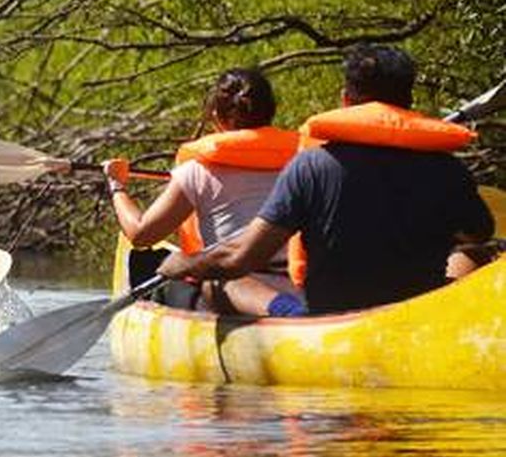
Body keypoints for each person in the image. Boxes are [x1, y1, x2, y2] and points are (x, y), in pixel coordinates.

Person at [157, 46, 493, 315]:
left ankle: (291, 315)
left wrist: (185, 263)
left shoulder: (310, 167)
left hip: (332, 316)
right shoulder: (448, 170)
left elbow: (240, 258)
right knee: (476, 253)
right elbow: (478, 233)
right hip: (417, 310)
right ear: (409, 103)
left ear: (345, 99)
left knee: (227, 281)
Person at [103, 67, 304, 316]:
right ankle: (296, 314)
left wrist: (116, 185)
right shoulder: (305, 165)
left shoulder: (198, 171)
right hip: (298, 286)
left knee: (168, 281)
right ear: (271, 112)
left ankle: (287, 314)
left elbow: (141, 234)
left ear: (218, 116)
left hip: (233, 290)